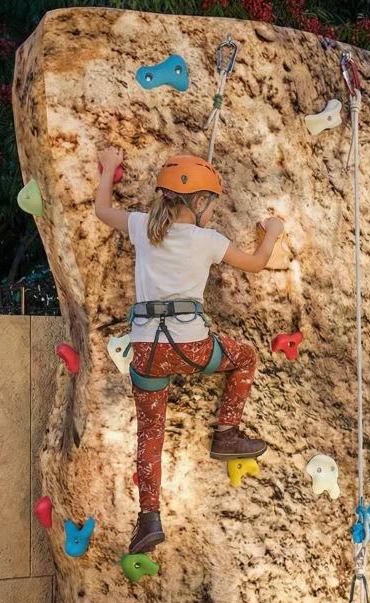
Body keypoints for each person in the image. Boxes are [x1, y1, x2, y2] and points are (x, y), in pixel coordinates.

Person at [94, 147, 283, 554]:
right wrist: (273, 231)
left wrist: (109, 167)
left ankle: (149, 518)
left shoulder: (142, 226)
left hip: (147, 352)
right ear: (197, 203)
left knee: (150, 436)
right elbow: (256, 263)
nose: (212, 212)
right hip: (191, 348)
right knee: (245, 358)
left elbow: (103, 210)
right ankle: (226, 433)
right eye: (211, 205)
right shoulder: (207, 240)